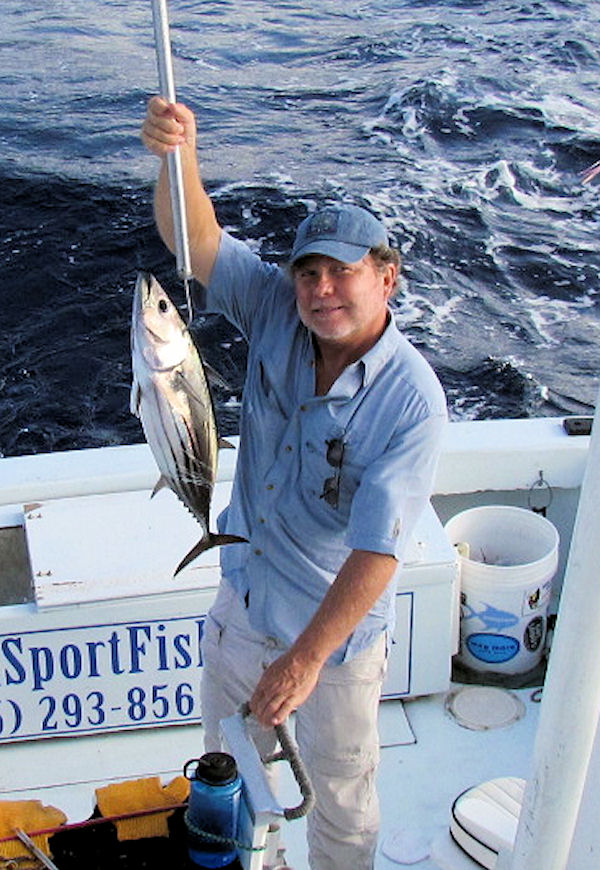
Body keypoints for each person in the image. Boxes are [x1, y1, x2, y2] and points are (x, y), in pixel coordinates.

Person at [141, 96, 447, 870]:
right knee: (227, 771)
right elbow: (196, 238)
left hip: (335, 647)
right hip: (243, 600)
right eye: (307, 273)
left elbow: (378, 552)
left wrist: (306, 660)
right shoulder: (277, 311)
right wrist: (177, 154)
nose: (321, 291)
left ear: (388, 278)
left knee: (341, 799)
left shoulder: (412, 400)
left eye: (342, 272)